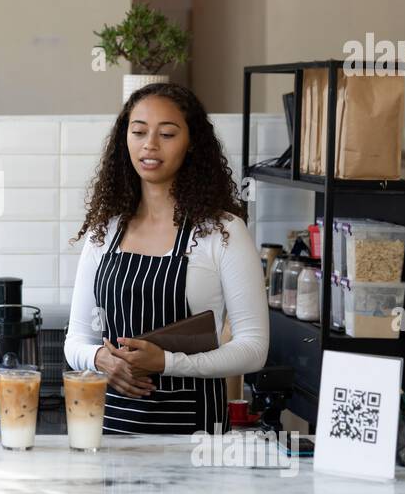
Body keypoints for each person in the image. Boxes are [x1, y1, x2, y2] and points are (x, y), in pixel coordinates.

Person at [63, 83, 269, 435]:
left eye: (167, 133)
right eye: (139, 131)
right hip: (111, 426)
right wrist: (100, 360)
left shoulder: (223, 232)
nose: (150, 145)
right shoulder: (106, 232)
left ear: (192, 144)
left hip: (195, 434)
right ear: (123, 140)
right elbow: (76, 340)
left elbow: (254, 349)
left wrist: (167, 363)